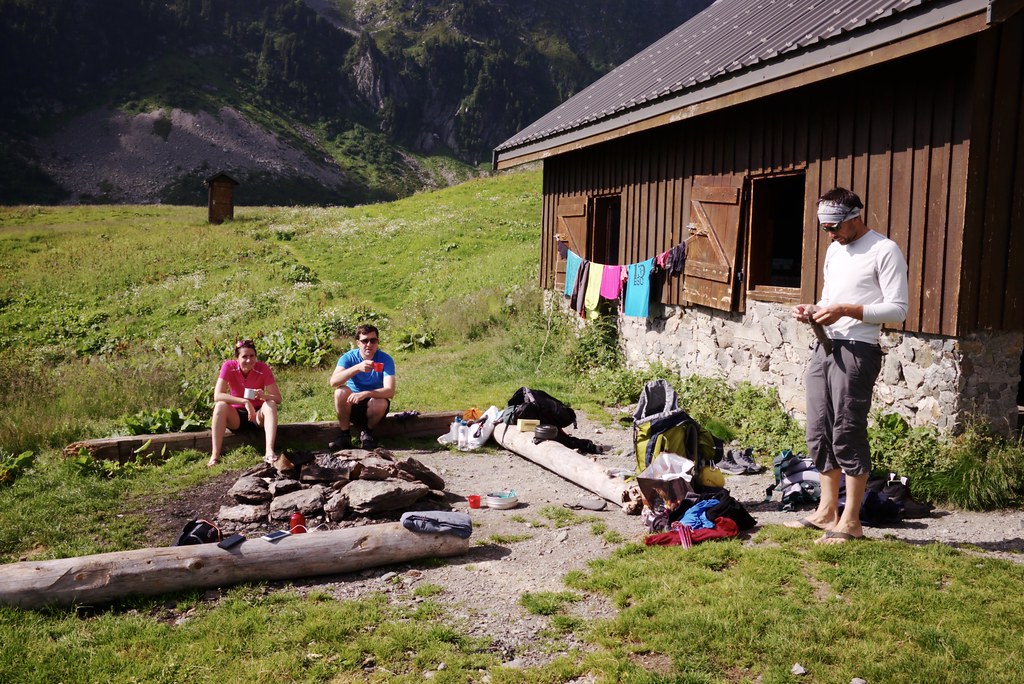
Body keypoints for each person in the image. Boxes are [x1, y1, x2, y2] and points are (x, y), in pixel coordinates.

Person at [786, 188, 908, 544]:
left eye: (835, 227)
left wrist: (845, 310)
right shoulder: (834, 251)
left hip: (858, 349)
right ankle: (827, 512)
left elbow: (898, 309)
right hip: (825, 346)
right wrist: (813, 310)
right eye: (825, 228)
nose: (830, 234)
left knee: (847, 430)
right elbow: (830, 299)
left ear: (855, 216)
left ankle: (851, 521)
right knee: (818, 429)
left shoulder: (884, 250)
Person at [208, 339, 283, 467]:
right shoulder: (229, 366)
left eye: (252, 356)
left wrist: (263, 396)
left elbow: (278, 398)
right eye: (244, 357)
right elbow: (217, 395)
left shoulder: (263, 368)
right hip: (236, 416)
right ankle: (215, 455)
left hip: (257, 416)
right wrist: (244, 401)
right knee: (220, 405)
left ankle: (269, 451)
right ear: (236, 358)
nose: (249, 360)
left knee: (270, 403)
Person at [329, 324, 396, 450]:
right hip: (352, 404)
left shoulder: (385, 359)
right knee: (340, 392)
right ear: (358, 343)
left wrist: (366, 393)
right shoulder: (348, 357)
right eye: (365, 341)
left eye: (373, 340)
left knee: (380, 402)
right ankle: (345, 435)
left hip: (374, 405)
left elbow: (390, 391)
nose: (369, 344)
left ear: (377, 342)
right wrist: (357, 368)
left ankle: (367, 434)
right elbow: (334, 382)